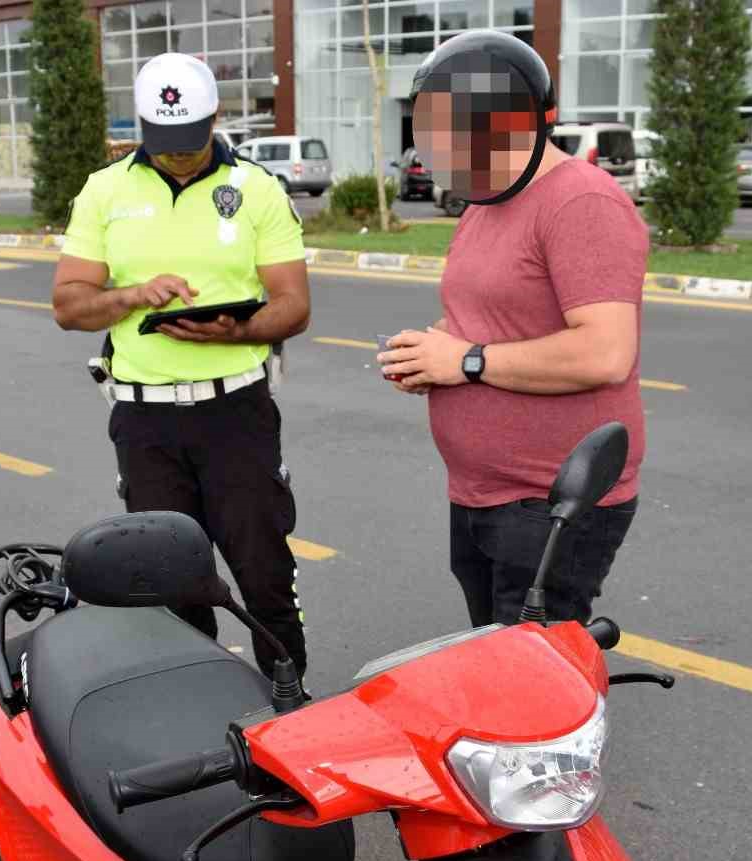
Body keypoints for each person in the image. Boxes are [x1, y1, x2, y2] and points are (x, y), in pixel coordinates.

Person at [52, 53, 313, 680]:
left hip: (236, 413)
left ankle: (289, 697)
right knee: (170, 579)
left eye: (189, 140)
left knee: (264, 571)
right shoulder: (105, 190)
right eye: (163, 141)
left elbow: (294, 306)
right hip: (145, 422)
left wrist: (236, 330)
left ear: (215, 117)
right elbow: (68, 305)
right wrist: (131, 296)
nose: (177, 154)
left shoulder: (254, 188)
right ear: (142, 124)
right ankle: (199, 700)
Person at [379, 32, 648, 627]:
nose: (441, 149)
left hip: (549, 499)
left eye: (455, 130)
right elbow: (488, 315)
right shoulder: (487, 199)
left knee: (536, 684)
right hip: (481, 492)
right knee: (495, 661)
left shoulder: (581, 203)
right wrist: (431, 354)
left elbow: (605, 352)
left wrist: (466, 361)